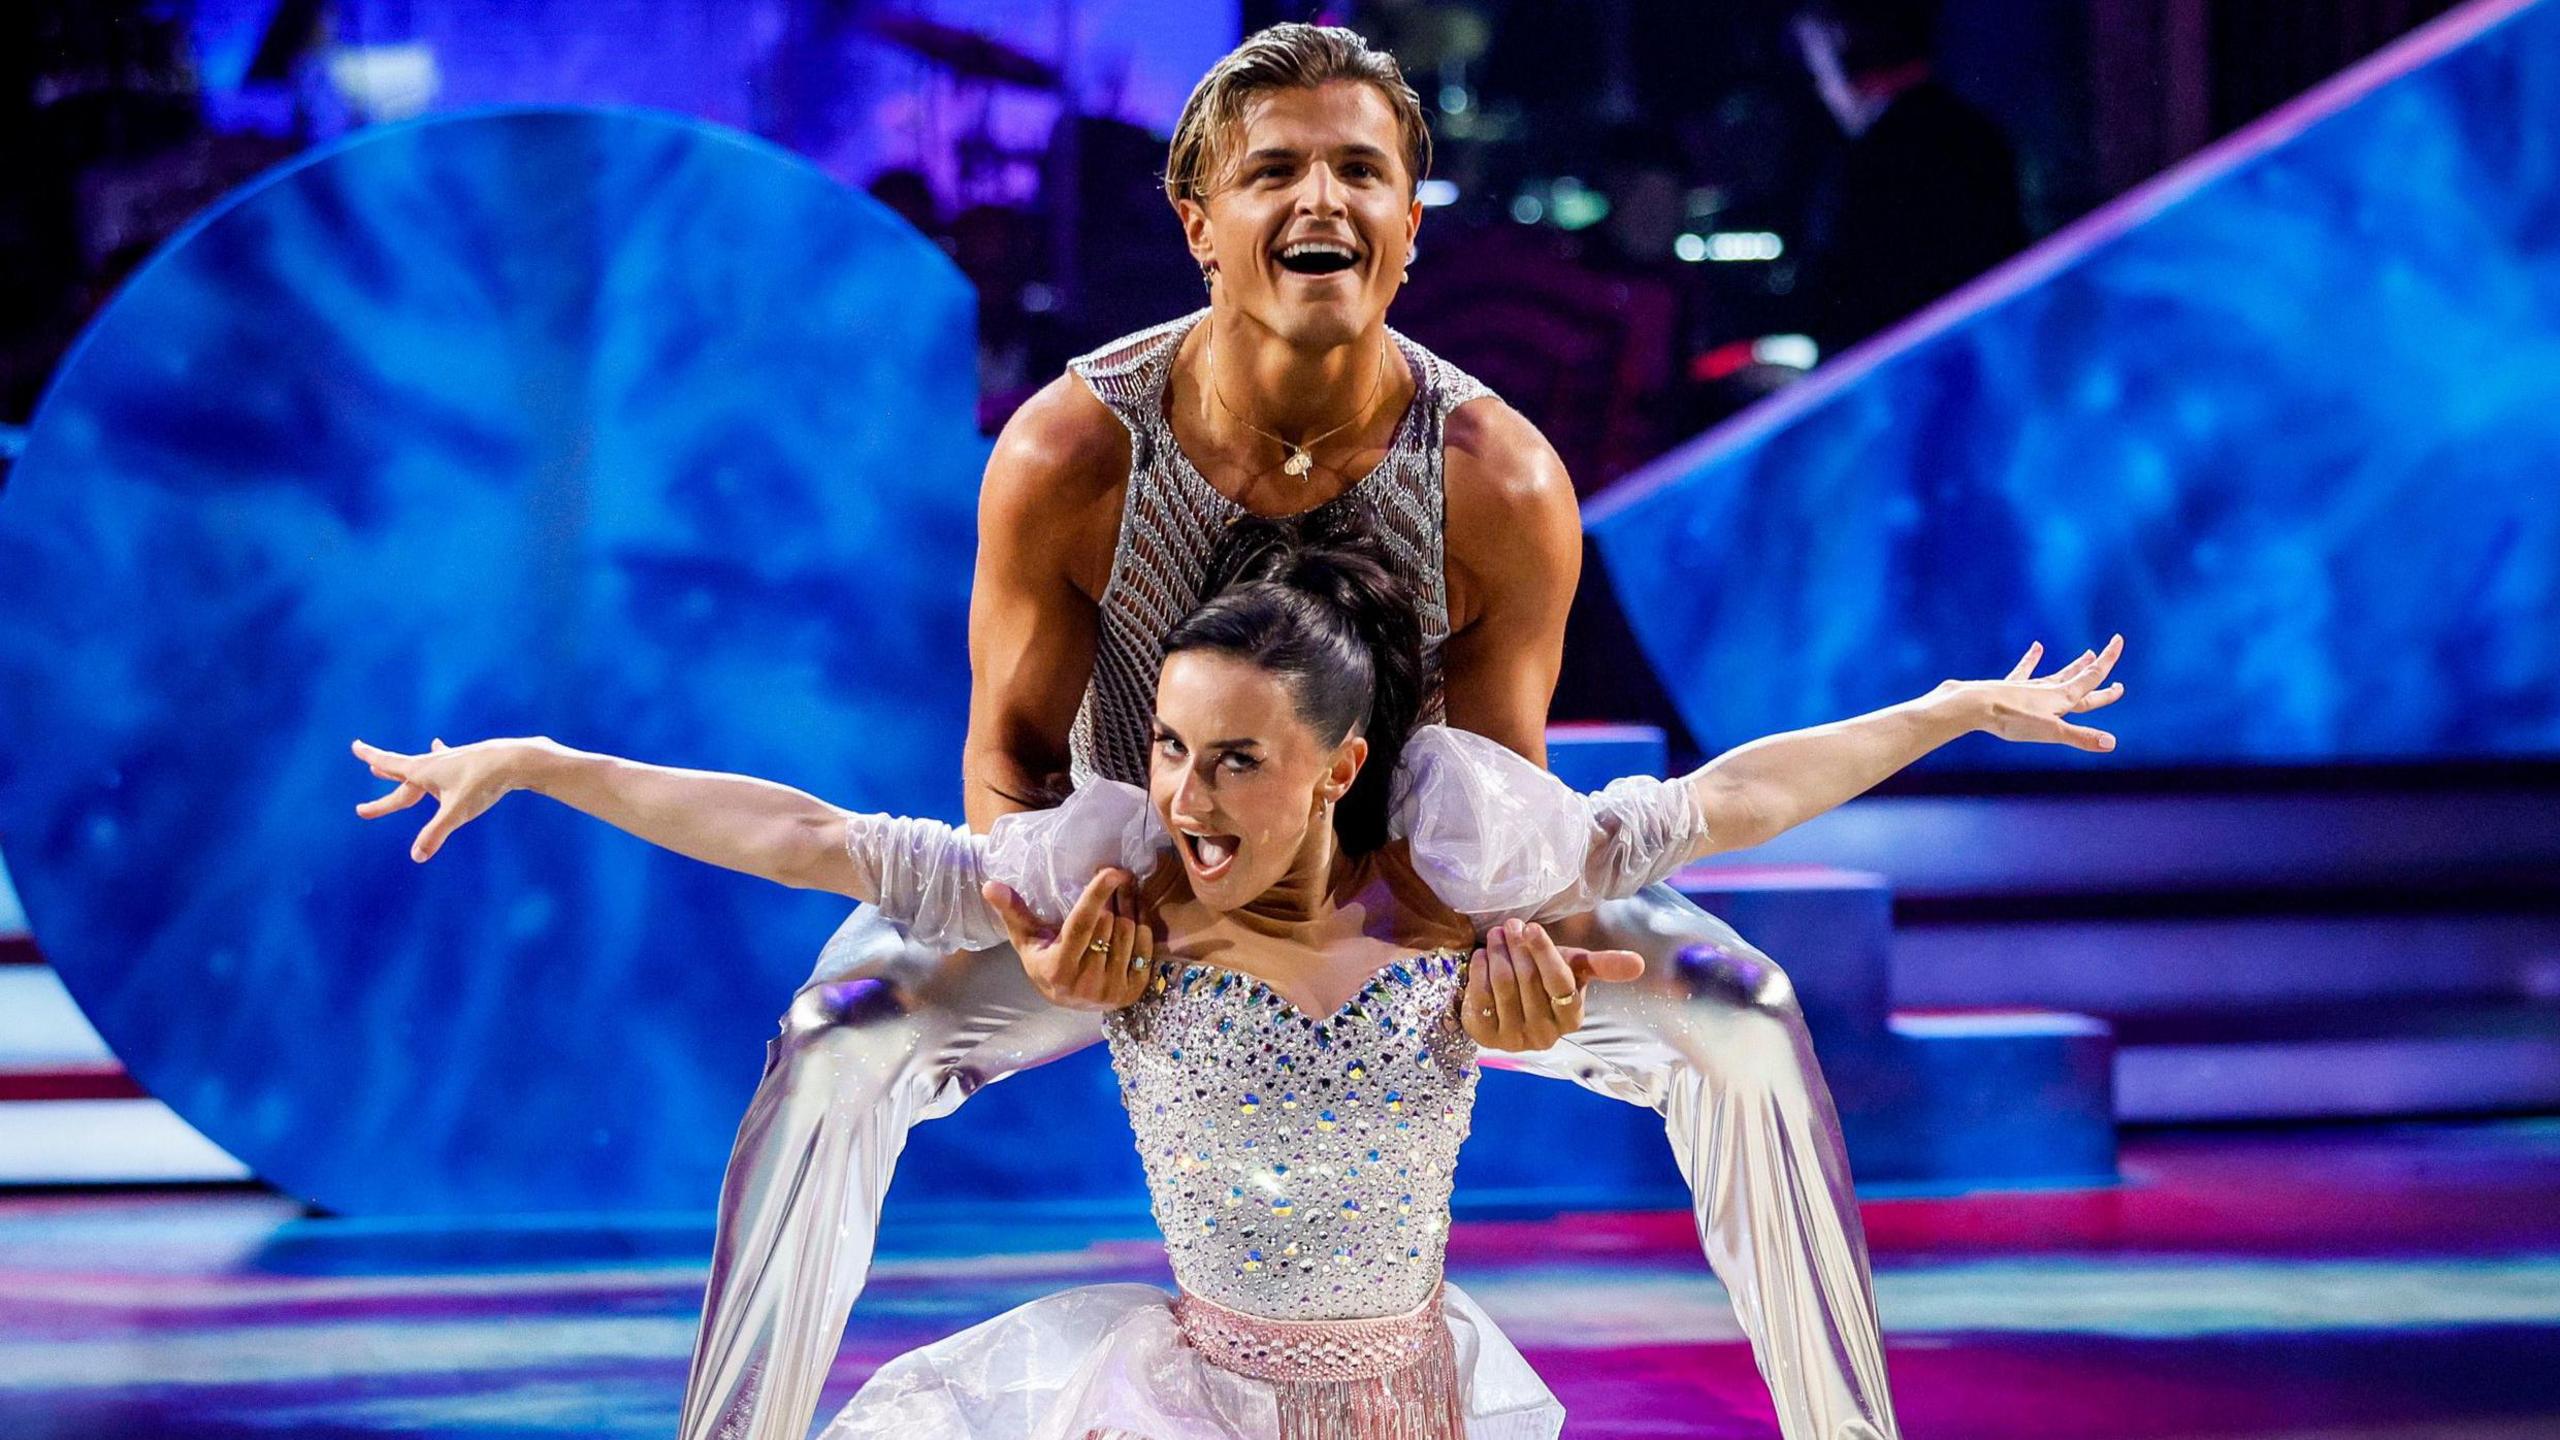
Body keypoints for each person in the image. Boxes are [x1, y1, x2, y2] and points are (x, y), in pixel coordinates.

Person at [679, 22, 1942, 1440]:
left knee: (1746, 1018)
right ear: (1198, 223)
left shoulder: (1500, 475)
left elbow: (1493, 806)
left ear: (1409, 224)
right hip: (1130, 891)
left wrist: (1496, 966)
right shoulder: (1070, 449)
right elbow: (1009, 766)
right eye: (1275, 169)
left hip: (1399, 898)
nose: (1320, 200)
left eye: (1359, 169)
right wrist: (1053, 930)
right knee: (837, 1035)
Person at [351, 516, 2127, 1440]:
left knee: (1740, 1021)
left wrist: (1957, 710)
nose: (1192, 800)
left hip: (1407, 1396)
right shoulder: (1112, 874)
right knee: (838, 1034)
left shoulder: (1459, 867)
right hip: (1190, 1398)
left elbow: (1720, 804)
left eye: (1238, 764)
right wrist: (540, 761)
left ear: (1341, 767)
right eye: (1177, 754)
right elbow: (818, 839)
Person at [1789, 0, 2030, 355]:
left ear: (1843, 52)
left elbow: (1836, 307)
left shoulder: (1863, 168)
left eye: (1818, 70)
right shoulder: (1980, 138)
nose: (1822, 90)